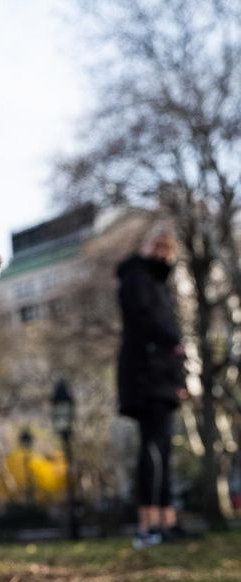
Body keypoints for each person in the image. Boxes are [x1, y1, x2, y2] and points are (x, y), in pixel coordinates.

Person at [117, 223, 187, 548]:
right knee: (152, 448)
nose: (161, 253)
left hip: (164, 380)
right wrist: (173, 340)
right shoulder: (136, 278)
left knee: (165, 450)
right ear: (146, 246)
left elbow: (169, 339)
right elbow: (147, 323)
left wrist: (180, 381)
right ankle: (148, 527)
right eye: (156, 245)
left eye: (167, 248)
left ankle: (167, 523)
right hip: (145, 377)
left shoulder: (161, 287)